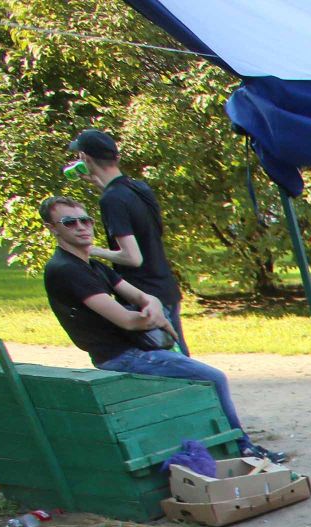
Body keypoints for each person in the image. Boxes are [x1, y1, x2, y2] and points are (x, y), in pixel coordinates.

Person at [39, 195, 276, 460]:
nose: (81, 227)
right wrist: (159, 318)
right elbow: (126, 319)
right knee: (213, 378)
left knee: (193, 373)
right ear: (52, 228)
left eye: (86, 220)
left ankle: (222, 445)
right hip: (121, 356)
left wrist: (152, 307)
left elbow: (145, 298)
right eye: (69, 222)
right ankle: (242, 446)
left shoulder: (93, 266)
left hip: (135, 348)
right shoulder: (66, 270)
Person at [68, 129, 188, 353]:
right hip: (165, 287)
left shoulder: (112, 200)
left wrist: (90, 250)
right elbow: (129, 207)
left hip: (144, 295)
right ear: (116, 158)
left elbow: (132, 257)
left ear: (85, 158)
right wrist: (100, 186)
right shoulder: (138, 188)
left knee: (167, 368)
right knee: (180, 362)